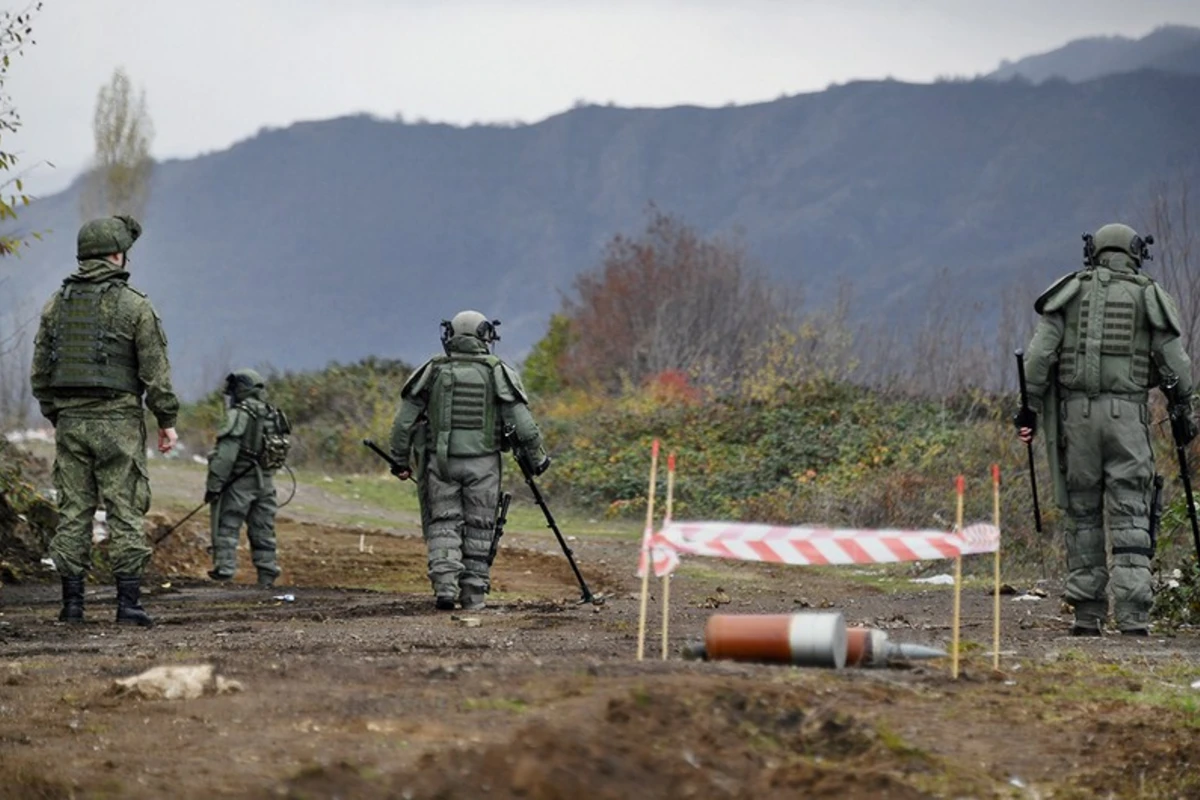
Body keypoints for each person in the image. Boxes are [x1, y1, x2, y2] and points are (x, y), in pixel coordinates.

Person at [1017, 223, 1195, 636]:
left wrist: (1027, 411)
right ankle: (1133, 618)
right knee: (1131, 513)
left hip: (1075, 421)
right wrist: (1186, 411)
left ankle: (1087, 616)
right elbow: (1177, 367)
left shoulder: (1068, 293)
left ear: (1093, 252)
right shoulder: (1148, 295)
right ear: (1134, 252)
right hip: (1127, 420)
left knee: (1082, 514)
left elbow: (1038, 360)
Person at [31, 215, 179, 627]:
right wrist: (166, 420)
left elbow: (40, 372)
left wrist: (57, 414)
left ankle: (72, 605)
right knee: (125, 509)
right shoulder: (135, 305)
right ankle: (128, 605)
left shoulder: (55, 304)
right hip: (119, 424)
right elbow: (155, 373)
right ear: (117, 254)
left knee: (74, 510)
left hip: (72, 423)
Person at [389, 310, 549, 611]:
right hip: (483, 465)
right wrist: (538, 459)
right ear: (484, 336)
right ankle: (473, 596)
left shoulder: (432, 370)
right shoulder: (496, 371)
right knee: (479, 526)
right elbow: (525, 427)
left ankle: (445, 589)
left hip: (441, 462)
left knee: (443, 523)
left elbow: (402, 424)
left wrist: (400, 460)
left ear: (451, 335)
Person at [205, 369, 289, 588]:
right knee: (263, 529)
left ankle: (224, 572)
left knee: (228, 526)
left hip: (240, 482)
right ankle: (267, 575)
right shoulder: (273, 414)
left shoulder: (239, 415)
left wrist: (214, 485)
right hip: (267, 482)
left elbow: (226, 455)